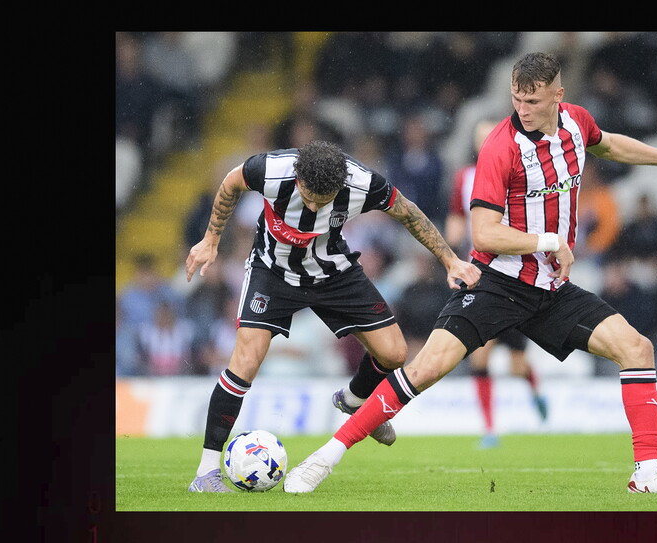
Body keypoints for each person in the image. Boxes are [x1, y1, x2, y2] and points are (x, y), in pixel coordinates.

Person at [284, 52, 657, 495]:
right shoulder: (501, 146)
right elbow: (485, 234)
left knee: (637, 348)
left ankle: (647, 475)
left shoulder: (577, 122)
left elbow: (609, 144)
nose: (522, 109)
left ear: (558, 95)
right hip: (496, 283)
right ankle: (322, 458)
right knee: (425, 369)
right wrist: (550, 241)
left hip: (550, 288)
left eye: (533, 101)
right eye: (516, 99)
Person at [185, 139, 481, 492]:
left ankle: (354, 399)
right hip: (272, 271)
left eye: (322, 201)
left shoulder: (363, 184)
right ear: (298, 178)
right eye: (308, 197)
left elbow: (409, 212)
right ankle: (206, 472)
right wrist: (211, 239)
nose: (313, 206)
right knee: (245, 362)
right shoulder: (270, 170)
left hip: (332, 271)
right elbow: (231, 182)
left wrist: (450, 260)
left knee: (394, 353)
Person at [445, 119, 548, 449]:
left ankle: (534, 388)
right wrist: (451, 250)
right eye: (480, 138)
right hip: (481, 274)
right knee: (480, 357)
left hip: (515, 276)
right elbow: (457, 217)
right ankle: (490, 428)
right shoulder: (465, 178)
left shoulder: (518, 174)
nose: (484, 143)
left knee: (516, 365)